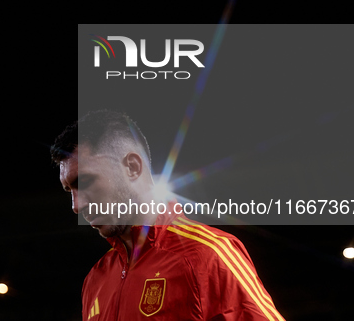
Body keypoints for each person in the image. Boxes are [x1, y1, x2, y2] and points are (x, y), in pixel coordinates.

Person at [50, 109, 285, 320]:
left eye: (85, 181)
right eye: (69, 190)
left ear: (133, 167)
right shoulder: (95, 280)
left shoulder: (207, 254)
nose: (76, 205)